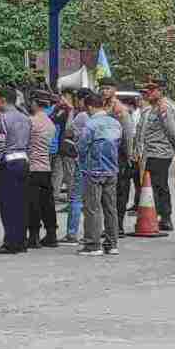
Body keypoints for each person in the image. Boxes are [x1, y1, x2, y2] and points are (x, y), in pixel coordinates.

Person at [77, 94, 123, 257]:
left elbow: (82, 147)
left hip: (94, 171)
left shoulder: (91, 124)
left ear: (90, 107)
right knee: (110, 208)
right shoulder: (116, 123)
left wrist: (81, 163)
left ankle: (92, 244)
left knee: (92, 208)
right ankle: (112, 244)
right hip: (112, 171)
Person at [134, 79, 175, 233]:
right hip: (148, 153)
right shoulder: (148, 110)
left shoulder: (165, 108)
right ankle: (155, 214)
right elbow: (141, 132)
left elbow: (171, 132)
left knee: (159, 185)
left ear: (160, 91)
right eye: (146, 90)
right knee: (151, 185)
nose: (147, 92)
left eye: (151, 90)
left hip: (160, 152)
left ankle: (165, 217)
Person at [0, 87, 32, 255]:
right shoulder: (25, 118)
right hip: (23, 160)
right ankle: (21, 240)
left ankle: (10, 242)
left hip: (8, 163)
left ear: (3, 100)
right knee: (21, 204)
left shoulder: (3, 119)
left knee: (7, 205)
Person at [98, 77, 135, 232]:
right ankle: (109, 225)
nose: (104, 91)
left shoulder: (119, 109)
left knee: (120, 191)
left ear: (114, 90)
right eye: (102, 88)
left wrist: (129, 155)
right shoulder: (101, 106)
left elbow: (127, 134)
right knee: (105, 193)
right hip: (103, 153)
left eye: (108, 88)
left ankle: (117, 225)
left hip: (118, 154)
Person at [25, 92, 58, 249]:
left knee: (33, 203)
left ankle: (34, 236)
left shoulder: (30, 122)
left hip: (32, 167)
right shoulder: (50, 124)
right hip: (46, 167)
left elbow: (24, 142)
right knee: (47, 203)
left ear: (35, 103)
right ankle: (52, 235)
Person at [60, 89, 93, 245]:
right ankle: (93, 232)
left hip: (82, 160)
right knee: (94, 200)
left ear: (81, 100)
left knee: (76, 198)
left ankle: (71, 234)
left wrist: (72, 112)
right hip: (98, 162)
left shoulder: (81, 116)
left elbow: (67, 132)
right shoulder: (102, 115)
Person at [50, 89, 77, 199]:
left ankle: (72, 198)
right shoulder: (60, 110)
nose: (61, 100)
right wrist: (57, 108)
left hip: (69, 147)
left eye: (64, 97)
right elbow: (51, 119)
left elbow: (69, 128)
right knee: (57, 173)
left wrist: (69, 108)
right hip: (60, 146)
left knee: (69, 175)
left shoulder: (74, 111)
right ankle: (53, 195)